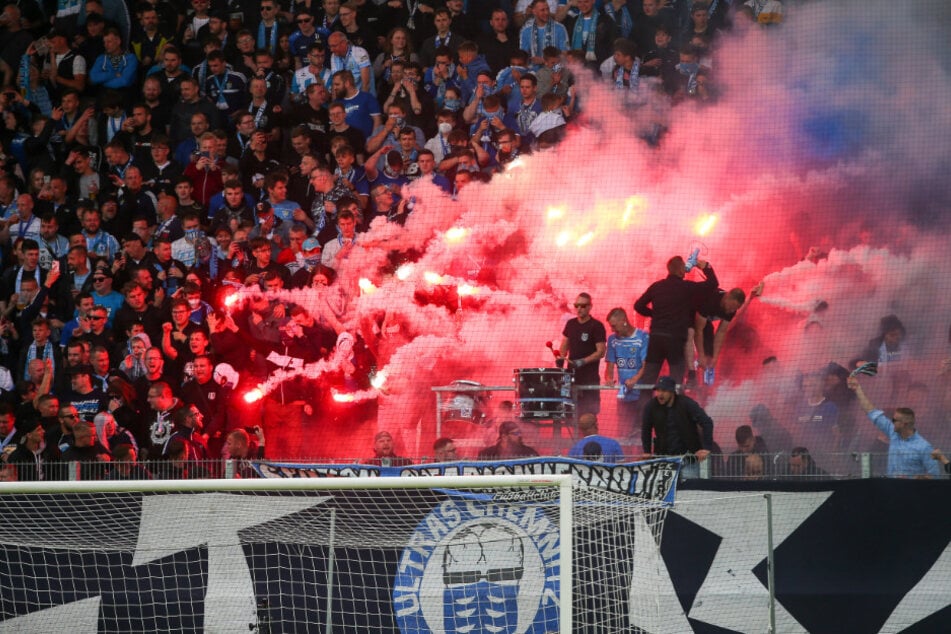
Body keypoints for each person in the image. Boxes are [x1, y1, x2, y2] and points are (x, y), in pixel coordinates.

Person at [634, 255, 718, 390]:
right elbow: (713, 284)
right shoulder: (686, 287)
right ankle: (675, 406)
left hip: (656, 338)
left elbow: (638, 306)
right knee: (676, 383)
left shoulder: (656, 286)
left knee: (648, 380)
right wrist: (705, 266)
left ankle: (643, 409)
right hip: (676, 340)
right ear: (680, 271)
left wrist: (654, 314)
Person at [847, 375, 941, 478]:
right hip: (891, 490)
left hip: (911, 492)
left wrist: (914, 479)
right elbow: (872, 412)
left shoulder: (924, 447)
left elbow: (935, 475)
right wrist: (858, 389)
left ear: (904, 424)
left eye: (895, 420)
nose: (892, 422)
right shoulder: (893, 433)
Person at [641, 376, 714, 479]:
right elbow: (646, 429)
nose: (660, 394)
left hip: (688, 459)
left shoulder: (686, 403)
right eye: (658, 390)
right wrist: (647, 451)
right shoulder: (651, 406)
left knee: (690, 491)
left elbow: (707, 422)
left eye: (664, 391)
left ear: (672, 391)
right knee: (666, 491)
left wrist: (706, 448)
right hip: (664, 460)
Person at [557, 293, 606, 416]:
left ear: (590, 307)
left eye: (583, 306)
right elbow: (564, 346)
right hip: (572, 378)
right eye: (576, 305)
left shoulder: (597, 326)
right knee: (570, 415)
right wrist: (559, 361)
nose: (579, 308)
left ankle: (590, 435)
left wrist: (583, 361)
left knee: (589, 416)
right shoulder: (571, 324)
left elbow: (601, 351)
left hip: (589, 379)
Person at [604, 307, 648, 441]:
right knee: (623, 433)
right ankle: (623, 460)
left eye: (614, 326)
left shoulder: (643, 337)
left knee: (641, 433)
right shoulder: (612, 339)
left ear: (624, 321)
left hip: (642, 395)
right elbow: (610, 365)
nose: (612, 330)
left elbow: (646, 365)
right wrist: (609, 378)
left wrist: (635, 379)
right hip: (623, 395)